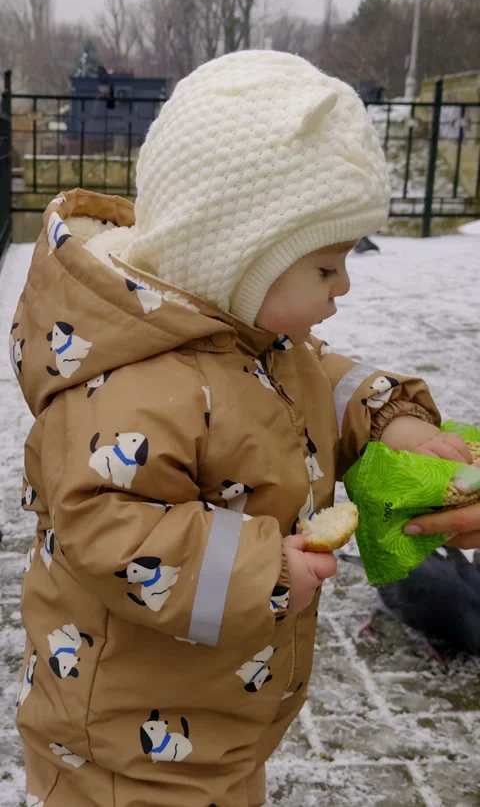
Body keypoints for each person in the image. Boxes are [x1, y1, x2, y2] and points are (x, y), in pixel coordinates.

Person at [11, 51, 479, 807]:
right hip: (124, 752)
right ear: (235, 257)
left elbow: (319, 383)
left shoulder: (257, 339)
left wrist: (389, 419)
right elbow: (103, 523)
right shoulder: (130, 383)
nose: (345, 285)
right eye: (325, 267)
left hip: (222, 719)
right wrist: (260, 571)